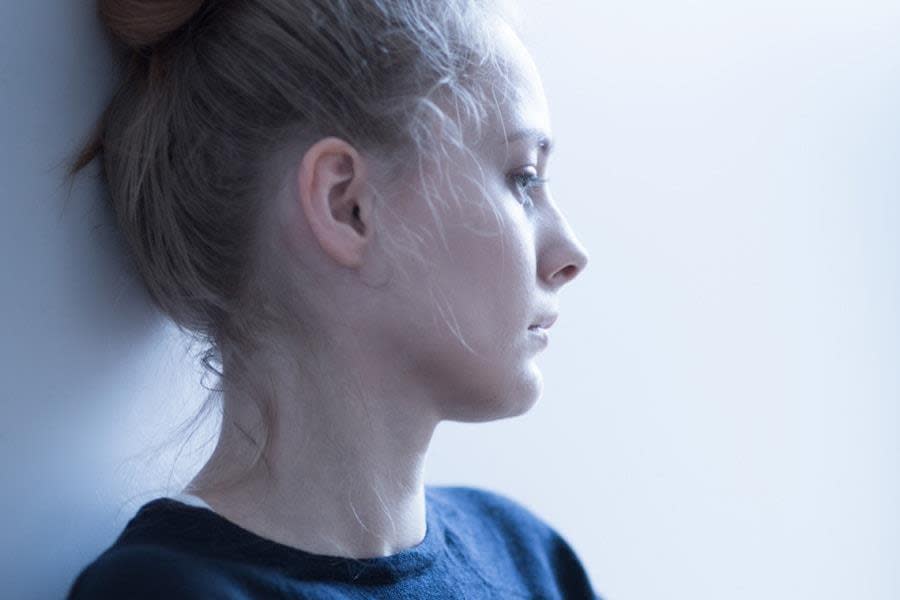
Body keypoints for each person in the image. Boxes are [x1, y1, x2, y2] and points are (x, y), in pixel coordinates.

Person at [65, 0, 599, 597]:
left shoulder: (530, 561)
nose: (571, 253)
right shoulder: (171, 592)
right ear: (347, 205)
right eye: (522, 179)